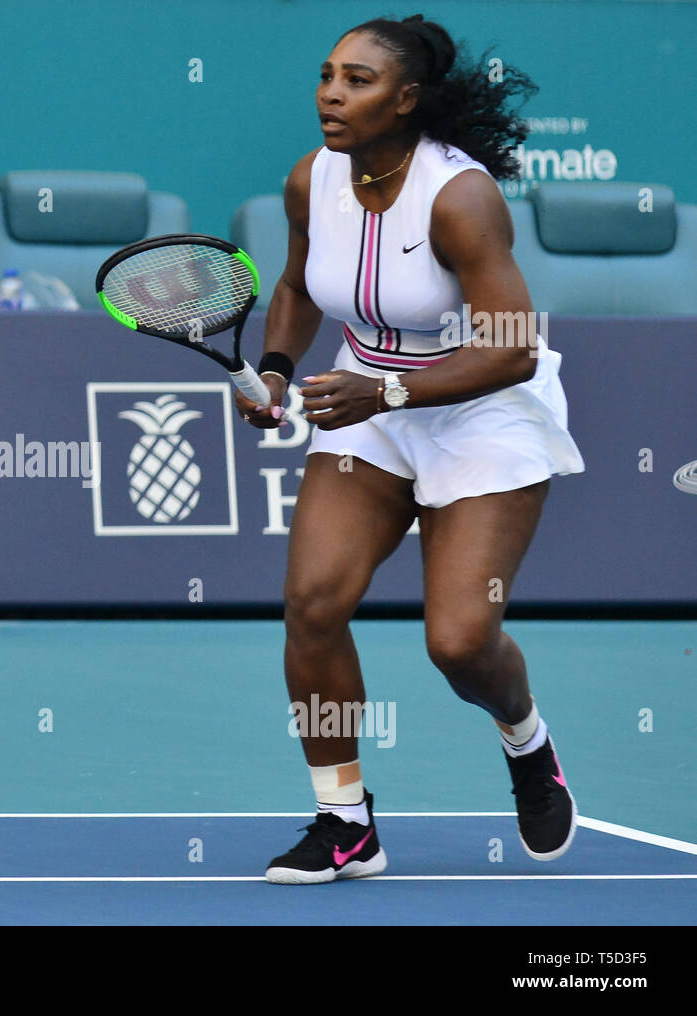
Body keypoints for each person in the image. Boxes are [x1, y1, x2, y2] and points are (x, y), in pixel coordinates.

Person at [236, 14, 585, 884]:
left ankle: (526, 740)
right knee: (313, 603)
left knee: (461, 643)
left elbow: (510, 345)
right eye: (326, 74)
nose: (330, 93)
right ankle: (344, 820)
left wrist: (383, 390)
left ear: (407, 99)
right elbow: (295, 284)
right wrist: (278, 371)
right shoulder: (310, 179)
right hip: (371, 407)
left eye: (357, 80)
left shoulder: (459, 196)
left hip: (484, 412)